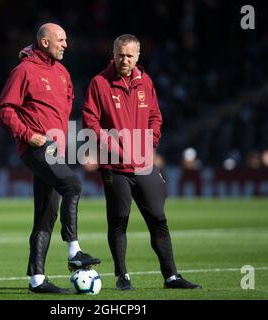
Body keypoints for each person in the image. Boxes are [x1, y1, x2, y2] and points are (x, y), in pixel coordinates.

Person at [83, 34, 201, 290]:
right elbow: (90, 121)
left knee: (158, 218)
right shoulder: (99, 83)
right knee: (119, 219)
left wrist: (151, 141)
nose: (124, 60)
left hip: (143, 163)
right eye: (119, 54)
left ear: (137, 56)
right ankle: (122, 276)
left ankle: (171, 276)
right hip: (114, 167)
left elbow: (155, 116)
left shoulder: (145, 82)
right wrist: (109, 144)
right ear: (113, 54)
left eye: (129, 55)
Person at [0, 23, 100, 294]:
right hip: (37, 146)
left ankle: (37, 280)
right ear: (44, 42)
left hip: (57, 148)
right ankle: (74, 251)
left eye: (66, 39)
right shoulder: (24, 71)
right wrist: (27, 134)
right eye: (61, 40)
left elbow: (64, 110)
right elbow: (4, 109)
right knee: (73, 185)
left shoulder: (63, 73)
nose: (66, 44)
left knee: (46, 215)